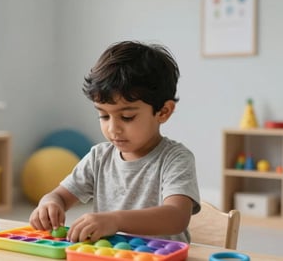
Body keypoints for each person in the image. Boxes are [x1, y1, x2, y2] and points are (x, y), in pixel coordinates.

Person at [29, 40, 200, 243]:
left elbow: (176, 217)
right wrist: (49, 203)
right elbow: (60, 196)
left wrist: (115, 220)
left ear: (163, 111)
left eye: (127, 117)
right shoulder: (99, 157)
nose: (113, 129)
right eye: (104, 116)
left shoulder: (175, 159)